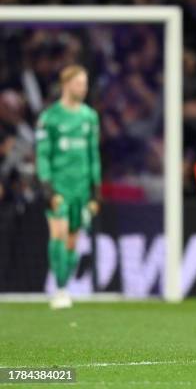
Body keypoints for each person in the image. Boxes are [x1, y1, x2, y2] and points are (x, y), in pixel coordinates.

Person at [36, 65, 101, 309]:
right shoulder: (49, 118)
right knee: (58, 234)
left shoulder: (89, 117)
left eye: (85, 84)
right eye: (79, 83)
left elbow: (94, 155)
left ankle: (64, 287)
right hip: (59, 187)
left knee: (73, 240)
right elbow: (42, 155)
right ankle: (59, 288)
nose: (83, 88)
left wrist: (96, 191)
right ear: (66, 85)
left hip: (82, 189)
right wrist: (47, 187)